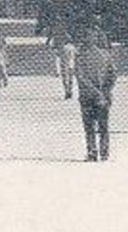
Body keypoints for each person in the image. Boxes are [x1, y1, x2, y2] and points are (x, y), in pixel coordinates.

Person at [74, 22, 118, 162]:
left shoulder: (80, 56)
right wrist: (105, 91)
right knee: (104, 125)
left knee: (89, 126)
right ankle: (104, 153)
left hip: (87, 96)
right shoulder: (106, 55)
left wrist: (94, 91)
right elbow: (113, 75)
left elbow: (81, 77)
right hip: (104, 96)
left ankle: (92, 152)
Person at [49, 20, 76, 100]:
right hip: (71, 49)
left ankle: (67, 90)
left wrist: (54, 49)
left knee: (64, 72)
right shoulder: (71, 30)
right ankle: (69, 89)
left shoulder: (56, 33)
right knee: (70, 70)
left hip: (64, 51)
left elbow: (52, 45)